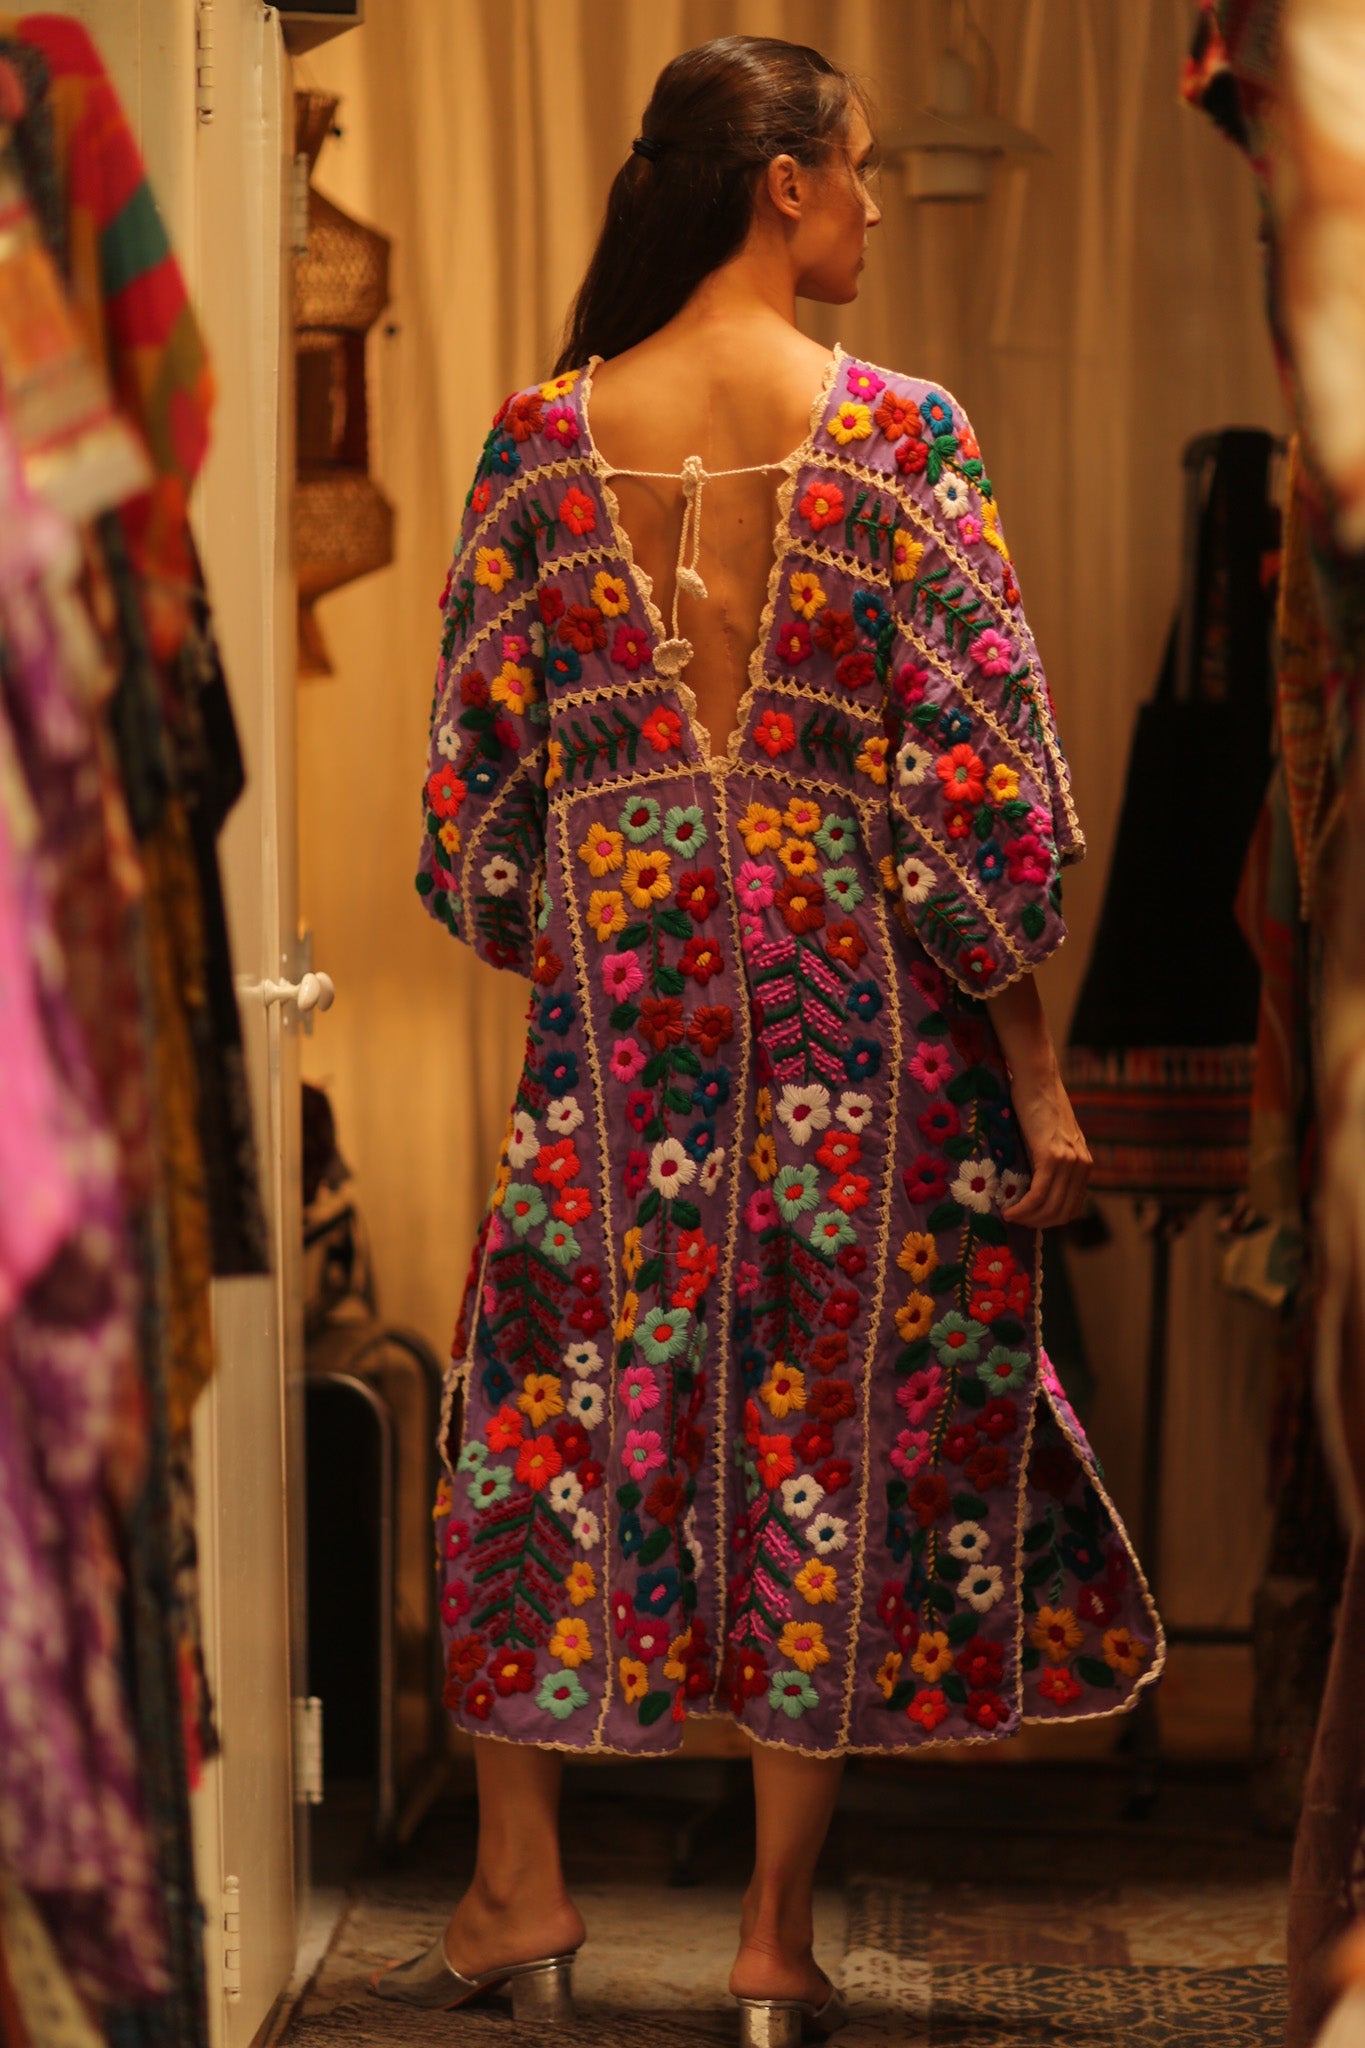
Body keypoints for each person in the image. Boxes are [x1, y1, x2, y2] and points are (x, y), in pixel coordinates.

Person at [377, 33, 1163, 2044]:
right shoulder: (902, 437)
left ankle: (518, 1882)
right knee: (824, 1436)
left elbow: (473, 804)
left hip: (620, 1030)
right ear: (781, 181)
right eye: (858, 169)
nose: (877, 205)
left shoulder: (536, 442)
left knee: (538, 1413)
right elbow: (974, 795)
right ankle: (769, 1937)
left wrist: (583, 912)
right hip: (861, 1038)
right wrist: (1028, 1060)